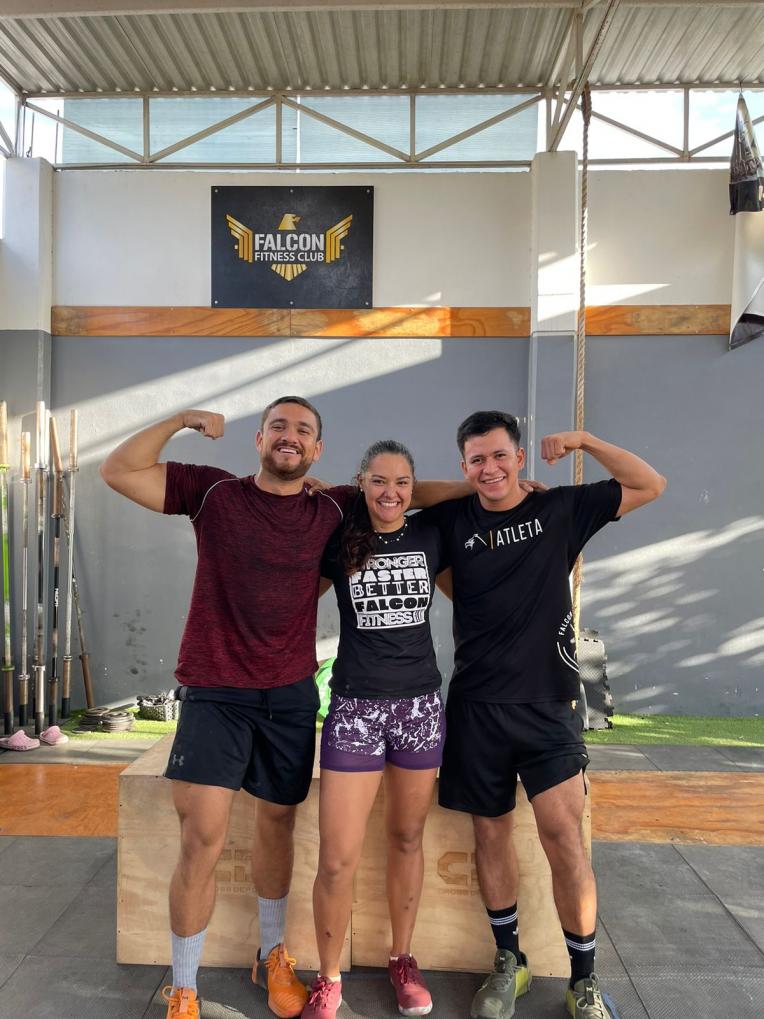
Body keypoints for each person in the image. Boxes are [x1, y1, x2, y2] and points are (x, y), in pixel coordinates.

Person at [100, 397, 357, 1019]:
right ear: (259, 440)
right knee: (202, 838)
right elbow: (119, 470)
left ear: (318, 449)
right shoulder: (214, 492)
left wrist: (493, 482)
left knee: (277, 825)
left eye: (303, 430)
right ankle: (185, 987)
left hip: (289, 694)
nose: (289, 436)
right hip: (216, 692)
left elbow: (404, 489)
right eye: (278, 426)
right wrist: (181, 420)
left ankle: (271, 955)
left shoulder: (331, 506)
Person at [419, 412, 666, 1019]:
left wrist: (585, 440)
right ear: (463, 465)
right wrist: (470, 488)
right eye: (477, 460)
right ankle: (511, 960)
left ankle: (583, 979)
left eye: (500, 456)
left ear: (521, 456)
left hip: (548, 708)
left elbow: (649, 484)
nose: (490, 468)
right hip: (477, 707)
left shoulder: (560, 510)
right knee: (490, 835)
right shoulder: (453, 519)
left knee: (563, 839)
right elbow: (398, 492)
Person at [303, 440, 446, 1019]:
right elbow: (294, 592)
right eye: (379, 480)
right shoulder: (338, 538)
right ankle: (328, 977)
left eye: (403, 482)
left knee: (407, 838)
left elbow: (450, 497)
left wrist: (477, 484)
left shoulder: (432, 534)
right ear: (360, 482)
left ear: (415, 487)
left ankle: (402, 959)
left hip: (419, 709)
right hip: (355, 710)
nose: (392, 492)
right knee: (337, 857)